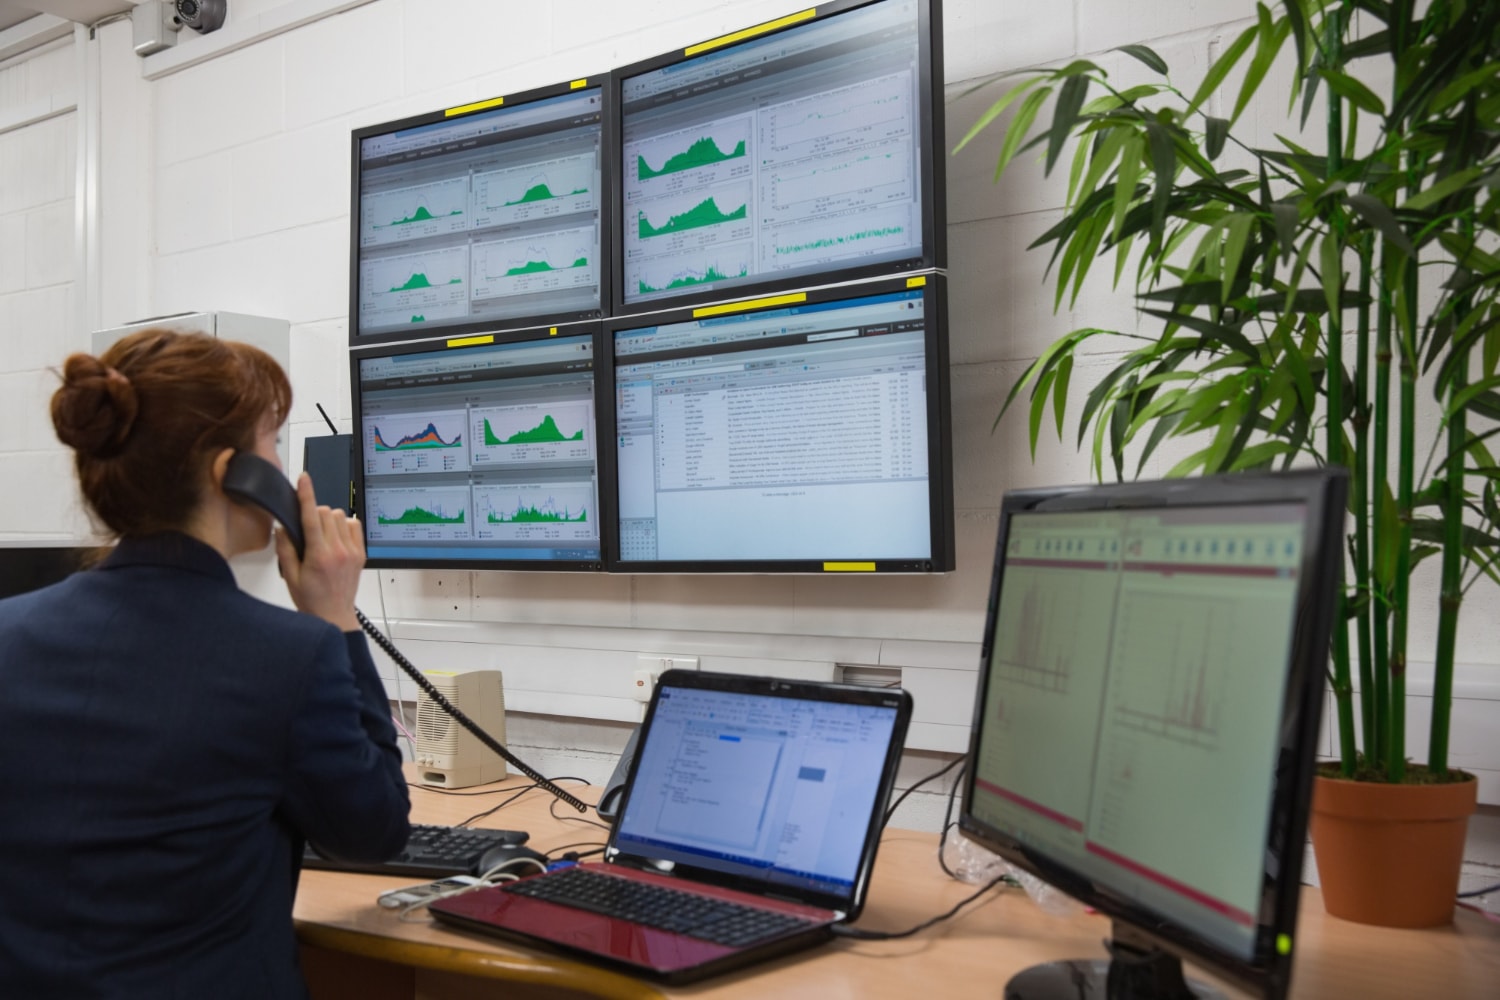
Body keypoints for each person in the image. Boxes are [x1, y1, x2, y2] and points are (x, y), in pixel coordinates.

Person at [0, 328, 411, 998]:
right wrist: (335, 614)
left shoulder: (6, 634)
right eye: (273, 443)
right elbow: (375, 832)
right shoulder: (287, 656)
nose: (283, 470)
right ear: (233, 474)